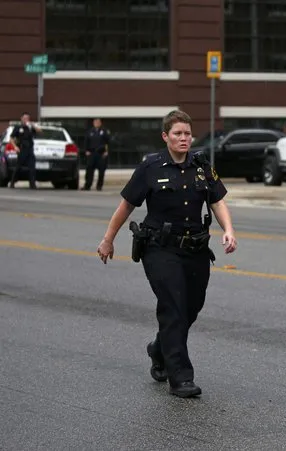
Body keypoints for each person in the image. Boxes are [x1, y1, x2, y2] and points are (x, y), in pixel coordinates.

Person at [96, 109, 238, 398]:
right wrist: (108, 240)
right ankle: (181, 377)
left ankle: (159, 348)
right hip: (160, 249)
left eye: (187, 133)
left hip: (195, 249)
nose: (184, 138)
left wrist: (229, 229)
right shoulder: (150, 168)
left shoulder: (201, 165)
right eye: (178, 134)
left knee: (190, 308)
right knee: (173, 306)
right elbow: (126, 206)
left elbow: (218, 201)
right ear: (166, 137)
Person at [9, 112, 41, 189]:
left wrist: (32, 125)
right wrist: (15, 147)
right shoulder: (18, 127)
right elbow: (11, 138)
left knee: (32, 167)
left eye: (28, 118)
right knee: (18, 167)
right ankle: (12, 182)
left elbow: (39, 131)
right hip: (22, 149)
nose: (26, 120)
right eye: (25, 118)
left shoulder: (30, 127)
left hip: (30, 149)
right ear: (21, 119)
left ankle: (32, 184)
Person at [82, 118, 111, 191]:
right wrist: (86, 151)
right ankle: (87, 185)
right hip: (91, 153)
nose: (97, 123)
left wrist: (106, 151)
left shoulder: (104, 131)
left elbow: (108, 143)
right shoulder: (90, 132)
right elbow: (86, 142)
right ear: (93, 123)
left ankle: (99, 186)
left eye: (98, 122)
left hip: (101, 154)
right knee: (89, 170)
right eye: (95, 122)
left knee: (101, 171)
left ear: (100, 123)